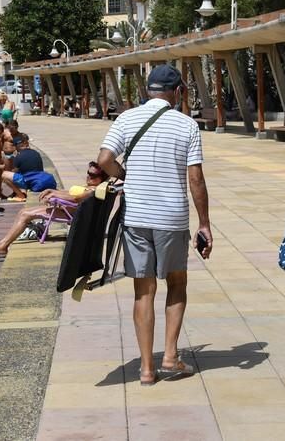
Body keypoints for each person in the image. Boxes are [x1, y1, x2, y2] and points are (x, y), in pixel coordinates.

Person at [97, 64, 212, 386]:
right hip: (172, 219)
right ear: (178, 92)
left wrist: (125, 176)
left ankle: (147, 369)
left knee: (143, 290)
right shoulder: (187, 125)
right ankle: (171, 357)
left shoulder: (126, 119)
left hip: (136, 218)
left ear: (149, 91)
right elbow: (196, 179)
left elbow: (105, 159)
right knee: (176, 284)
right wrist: (204, 224)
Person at [0, 162, 108, 255]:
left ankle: (3, 245)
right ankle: (1, 244)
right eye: (88, 173)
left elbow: (75, 199)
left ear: (101, 177)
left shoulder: (93, 190)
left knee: (25, 214)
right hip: (66, 209)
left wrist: (55, 195)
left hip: (69, 213)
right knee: (23, 212)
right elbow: (71, 194)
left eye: (92, 175)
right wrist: (53, 191)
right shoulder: (91, 187)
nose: (88, 176)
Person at [1, 132, 48, 201]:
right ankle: (22, 191)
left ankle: (20, 195)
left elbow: (14, 173)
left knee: (4, 175)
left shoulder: (19, 156)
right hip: (38, 180)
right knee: (22, 174)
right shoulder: (36, 153)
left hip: (29, 182)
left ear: (17, 146)